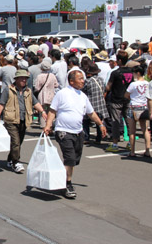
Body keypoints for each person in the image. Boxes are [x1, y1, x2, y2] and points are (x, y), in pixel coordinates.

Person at [44, 70, 106, 199]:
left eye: (83, 78)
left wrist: (100, 124)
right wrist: (48, 126)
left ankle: (62, 176)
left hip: (78, 133)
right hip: (63, 131)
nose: (83, 81)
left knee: (74, 160)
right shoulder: (62, 94)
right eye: (80, 79)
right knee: (70, 158)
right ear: (71, 81)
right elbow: (52, 111)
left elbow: (91, 113)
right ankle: (67, 184)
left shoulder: (82, 95)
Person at [0, 69, 47, 174]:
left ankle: (10, 159)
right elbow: (1, 103)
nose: (24, 80)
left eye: (26, 78)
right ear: (17, 79)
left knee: (19, 142)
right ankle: (16, 163)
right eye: (22, 78)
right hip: (11, 119)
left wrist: (42, 111)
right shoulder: (8, 90)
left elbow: (35, 102)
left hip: (24, 119)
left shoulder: (28, 91)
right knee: (15, 141)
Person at [105, 50, 133, 152]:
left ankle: (115, 144)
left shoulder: (115, 73)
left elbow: (108, 87)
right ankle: (131, 142)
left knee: (115, 122)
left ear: (119, 60)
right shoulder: (131, 72)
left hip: (116, 99)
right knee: (129, 121)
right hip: (128, 99)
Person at [124, 65, 151, 157]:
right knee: (145, 130)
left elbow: (126, 95)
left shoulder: (133, 84)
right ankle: (147, 150)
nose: (133, 75)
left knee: (132, 131)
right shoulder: (148, 83)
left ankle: (132, 151)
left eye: (134, 73)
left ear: (138, 73)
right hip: (144, 107)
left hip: (134, 107)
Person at [82, 64, 109, 145]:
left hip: (90, 102)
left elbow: (83, 90)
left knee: (86, 121)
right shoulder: (101, 79)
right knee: (99, 121)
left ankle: (86, 138)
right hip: (100, 103)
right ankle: (99, 138)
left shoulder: (88, 81)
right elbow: (104, 90)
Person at [34, 60, 58, 128]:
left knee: (42, 110)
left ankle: (43, 125)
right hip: (51, 94)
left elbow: (37, 87)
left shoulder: (39, 76)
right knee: (51, 110)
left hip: (42, 95)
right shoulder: (52, 75)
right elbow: (56, 85)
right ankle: (50, 124)